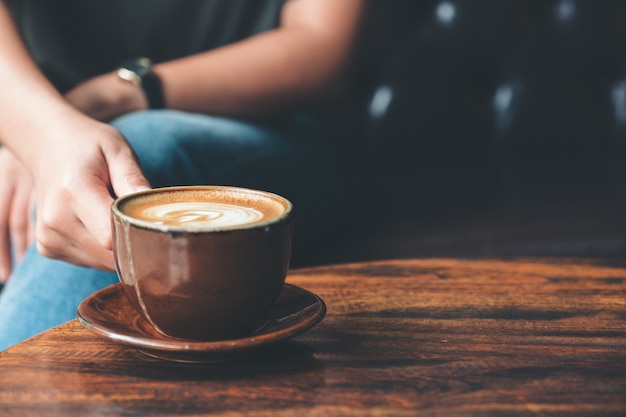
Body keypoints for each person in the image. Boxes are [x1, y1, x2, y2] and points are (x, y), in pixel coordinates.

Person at [0, 0, 365, 350]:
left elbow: (321, 47)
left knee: (131, 157)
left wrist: (100, 102)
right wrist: (40, 134)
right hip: (41, 113)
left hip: (276, 128)